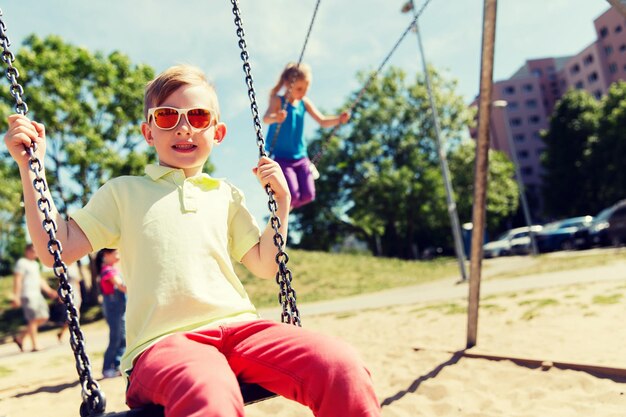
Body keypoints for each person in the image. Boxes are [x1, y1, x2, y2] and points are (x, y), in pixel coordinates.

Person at [4, 64, 380, 417]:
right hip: (164, 344)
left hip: (242, 332)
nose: (183, 128)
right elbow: (57, 249)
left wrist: (281, 205)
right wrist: (30, 165)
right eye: (167, 117)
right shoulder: (123, 192)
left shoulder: (227, 194)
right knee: (209, 391)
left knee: (340, 365)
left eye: (198, 117)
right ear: (148, 132)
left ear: (217, 133)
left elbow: (266, 265)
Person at [263, 62, 351, 209]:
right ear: (287, 84)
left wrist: (338, 119)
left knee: (309, 195)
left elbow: (322, 120)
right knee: (294, 195)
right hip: (282, 158)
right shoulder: (278, 100)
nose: (303, 92)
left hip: (301, 157)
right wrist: (276, 117)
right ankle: (283, 209)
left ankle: (287, 206)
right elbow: (266, 118)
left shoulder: (304, 102)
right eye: (299, 88)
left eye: (306, 88)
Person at [11, 243, 57, 352]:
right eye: (33, 250)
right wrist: (16, 296)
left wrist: (49, 290)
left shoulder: (35, 264)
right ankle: (35, 345)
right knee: (33, 319)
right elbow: (17, 279)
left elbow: (39, 280)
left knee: (43, 317)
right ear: (27, 251)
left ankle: (20, 338)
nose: (35, 253)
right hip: (27, 295)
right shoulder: (22, 263)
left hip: (37, 295)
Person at [95, 248, 127, 378]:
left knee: (123, 338)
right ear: (106, 255)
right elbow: (121, 287)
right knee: (115, 338)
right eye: (116, 253)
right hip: (114, 309)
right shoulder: (108, 271)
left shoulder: (114, 270)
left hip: (120, 309)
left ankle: (118, 365)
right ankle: (107, 367)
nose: (118, 255)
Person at [56, 261, 83, 342]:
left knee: (75, 315)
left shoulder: (74, 266)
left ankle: (62, 332)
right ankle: (76, 334)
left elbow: (77, 281)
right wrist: (60, 295)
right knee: (74, 314)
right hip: (67, 293)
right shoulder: (62, 266)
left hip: (75, 292)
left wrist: (80, 294)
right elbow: (60, 281)